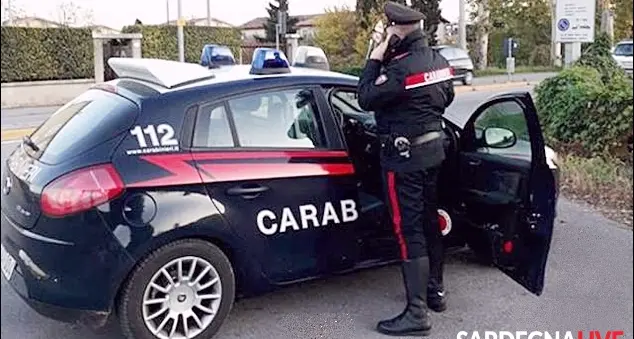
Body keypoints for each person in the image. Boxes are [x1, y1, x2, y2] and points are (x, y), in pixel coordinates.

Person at [357, 1, 455, 337]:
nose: (387, 35)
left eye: (389, 31)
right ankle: (435, 293)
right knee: (430, 222)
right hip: (434, 153)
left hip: (405, 159)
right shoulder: (440, 62)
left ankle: (417, 315)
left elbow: (366, 97)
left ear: (398, 32)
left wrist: (375, 56)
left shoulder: (399, 69)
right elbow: (448, 98)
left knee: (407, 230)